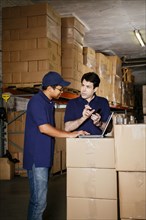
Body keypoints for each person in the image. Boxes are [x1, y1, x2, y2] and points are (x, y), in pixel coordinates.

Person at [23, 71, 88, 220]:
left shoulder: (48, 103)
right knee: (39, 202)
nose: (62, 91)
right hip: (37, 158)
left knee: (37, 200)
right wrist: (70, 134)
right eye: (59, 88)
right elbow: (44, 128)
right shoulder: (37, 102)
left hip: (44, 156)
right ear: (49, 88)